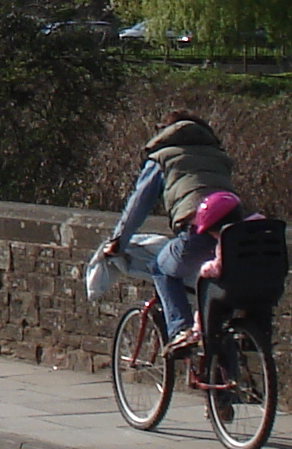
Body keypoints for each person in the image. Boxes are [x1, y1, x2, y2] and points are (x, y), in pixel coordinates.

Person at [96, 111, 236, 354]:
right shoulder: (219, 157)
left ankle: (179, 329)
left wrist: (118, 240)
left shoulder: (163, 159)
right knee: (215, 322)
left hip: (196, 234)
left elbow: (137, 207)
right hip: (233, 238)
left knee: (161, 267)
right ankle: (226, 387)